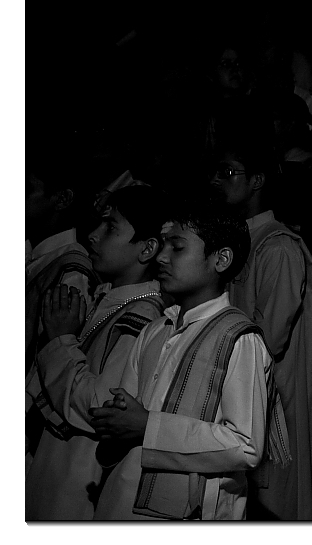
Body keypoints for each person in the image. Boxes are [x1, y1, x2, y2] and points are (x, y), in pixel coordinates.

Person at [89, 205, 289, 520]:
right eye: (163, 245)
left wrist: (147, 426)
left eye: (177, 247)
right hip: (121, 501)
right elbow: (123, 415)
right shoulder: (155, 329)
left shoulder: (238, 339)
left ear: (221, 260)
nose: (161, 257)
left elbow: (246, 446)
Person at [26, 186, 168, 520]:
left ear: (147, 249)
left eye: (111, 228)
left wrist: (61, 340)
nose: (93, 235)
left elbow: (102, 407)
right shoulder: (110, 299)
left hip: (78, 475)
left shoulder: (143, 317)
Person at [210, 142, 312, 520]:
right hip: (239, 387)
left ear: (257, 180)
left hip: (270, 393)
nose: (217, 181)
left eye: (227, 173)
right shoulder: (241, 241)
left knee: (274, 502)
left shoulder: (277, 247)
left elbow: (269, 338)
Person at [25, 161, 98, 470]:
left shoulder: (71, 270)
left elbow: (50, 356)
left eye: (26, 190)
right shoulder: (36, 255)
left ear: (62, 199)